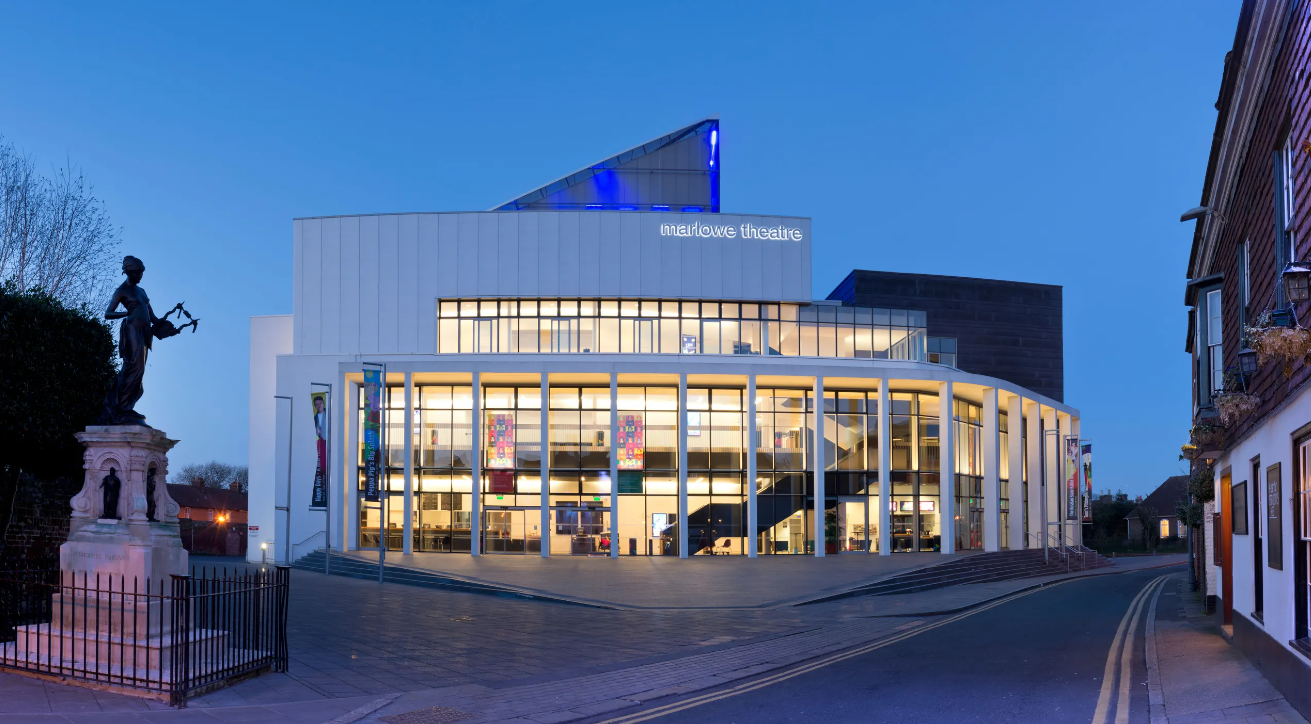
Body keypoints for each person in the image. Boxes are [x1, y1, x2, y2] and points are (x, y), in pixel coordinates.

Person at [99, 256, 157, 425]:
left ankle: (126, 406)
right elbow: (108, 313)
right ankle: (121, 408)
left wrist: (167, 324)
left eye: (142, 273)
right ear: (129, 272)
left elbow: (153, 317)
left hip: (145, 332)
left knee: (140, 370)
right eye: (138, 273)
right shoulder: (121, 290)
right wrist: (126, 313)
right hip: (131, 330)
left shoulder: (142, 291)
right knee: (133, 367)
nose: (141, 276)